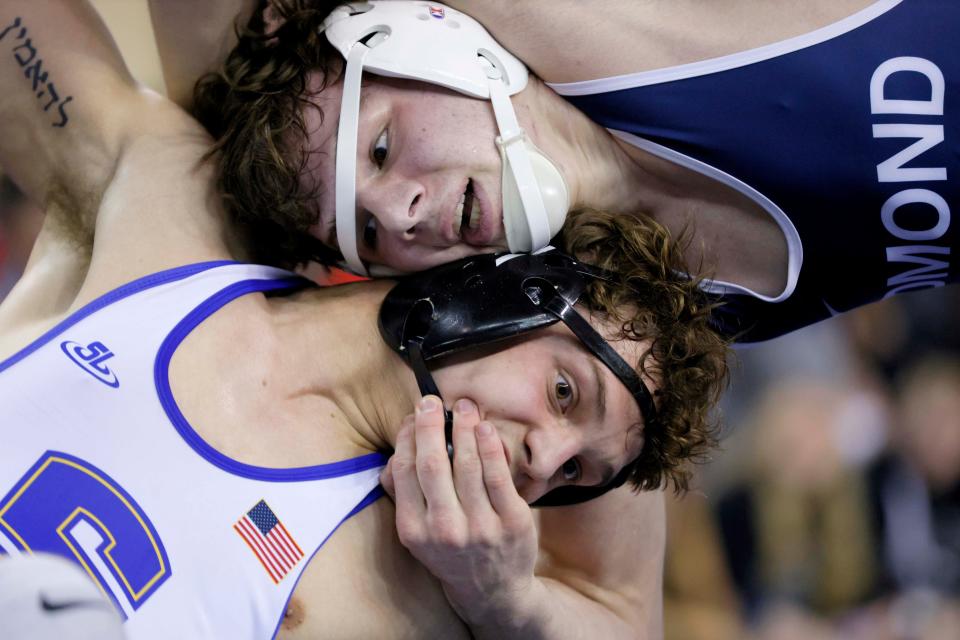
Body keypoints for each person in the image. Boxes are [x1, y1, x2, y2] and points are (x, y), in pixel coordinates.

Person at [0, 1, 728, 638]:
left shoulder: (392, 599)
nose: (542, 464)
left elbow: (622, 614)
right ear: (508, 284)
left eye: (575, 473)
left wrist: (507, 600)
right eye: (564, 393)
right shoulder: (169, 210)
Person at [149, 0, 960, 343]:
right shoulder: (629, 309)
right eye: (363, 229)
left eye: (381, 149)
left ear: (419, 36)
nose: (399, 216)